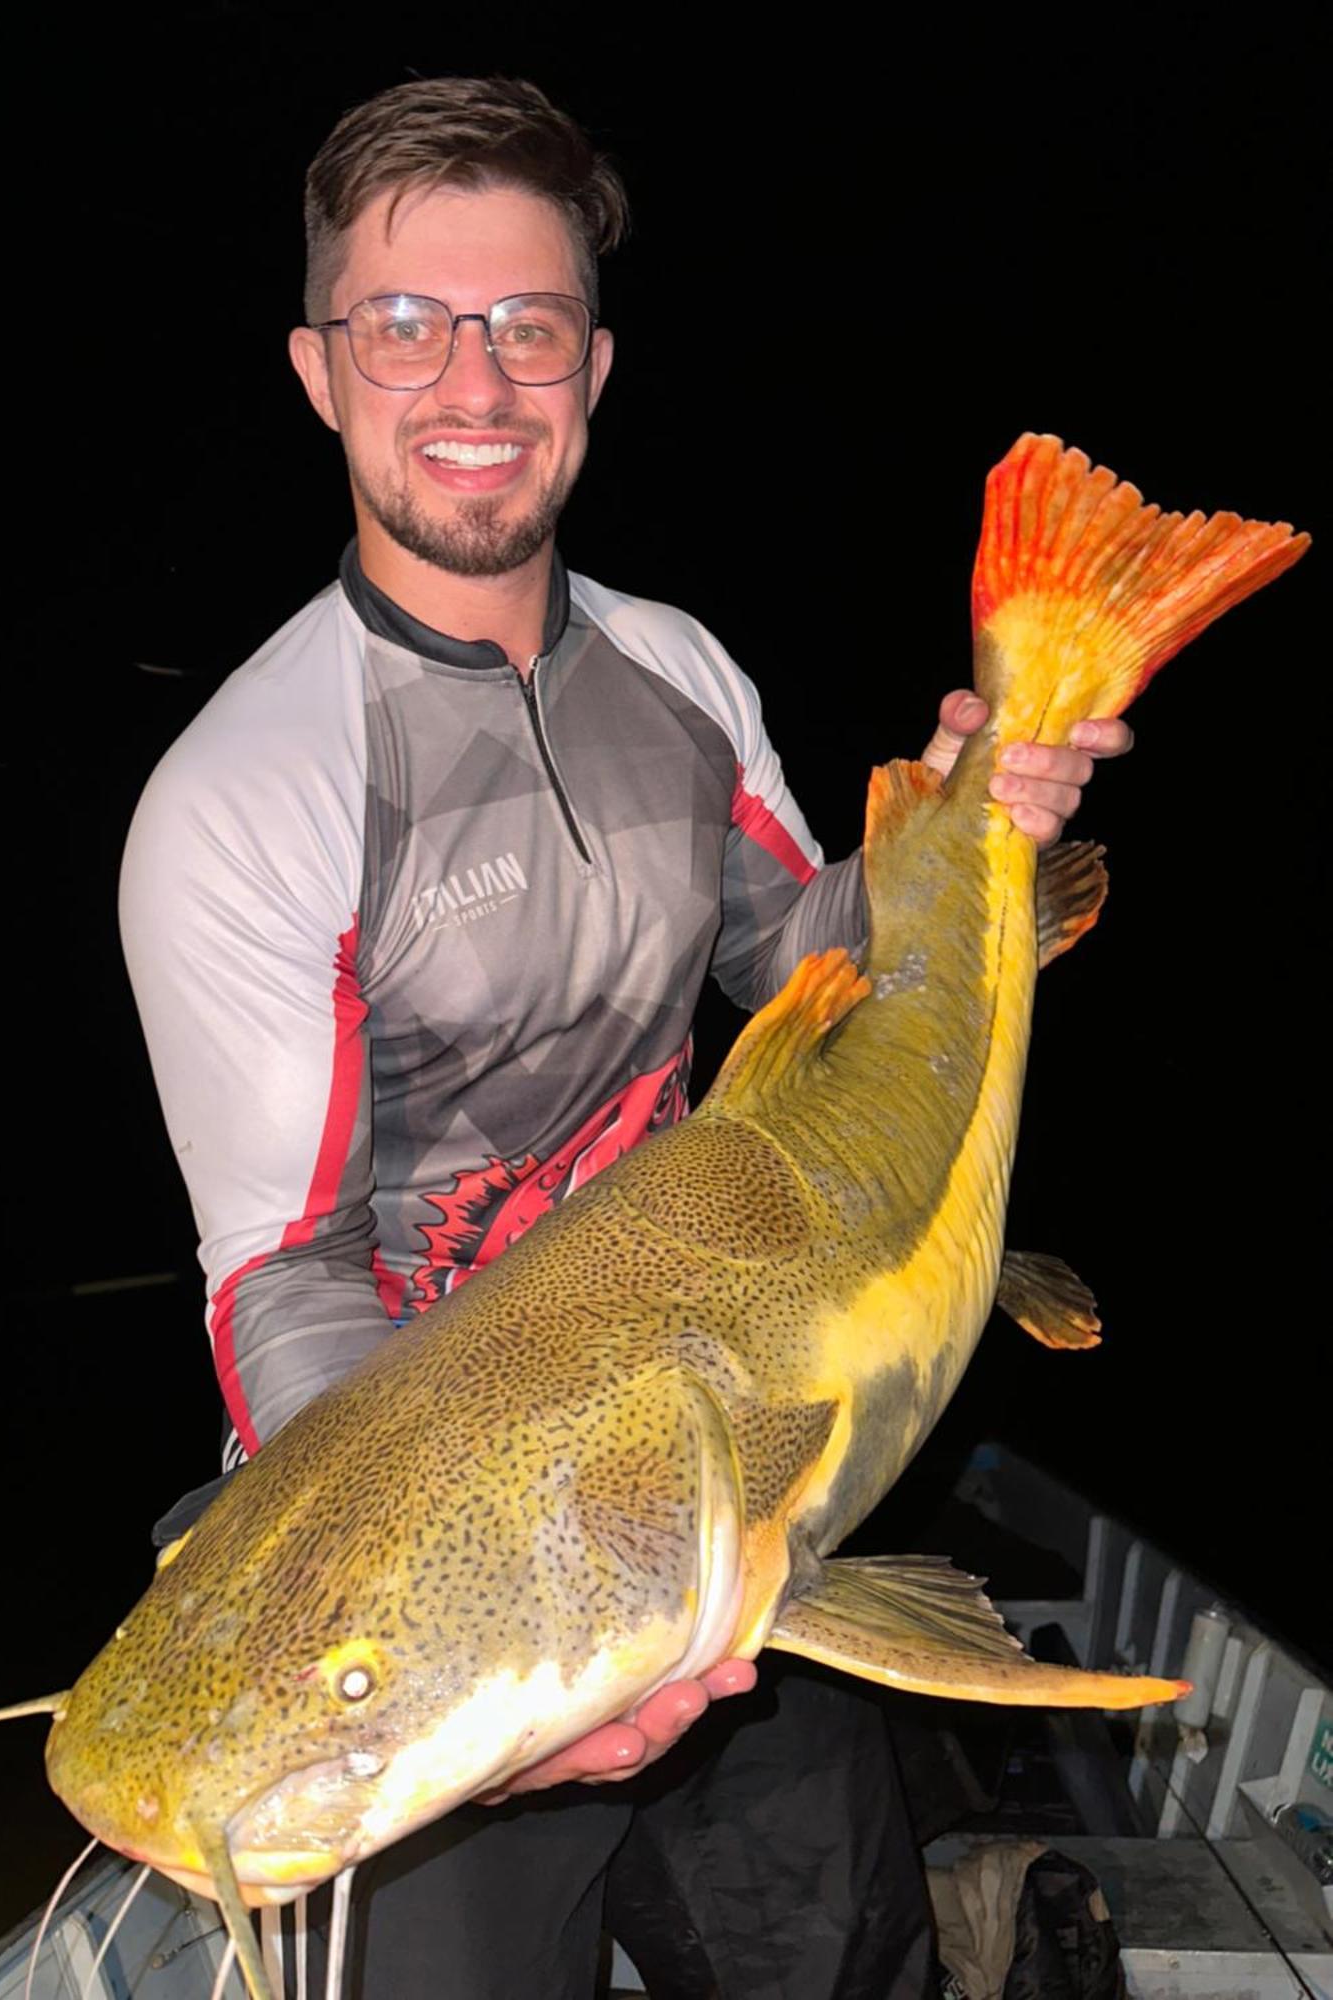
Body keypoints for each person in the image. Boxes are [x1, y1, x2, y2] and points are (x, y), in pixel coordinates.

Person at [120, 76, 1130, 2000]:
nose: (474, 382)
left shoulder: (676, 671)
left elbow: (799, 960)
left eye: (529, 324)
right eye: (405, 327)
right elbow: (278, 1271)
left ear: (594, 363)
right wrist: (461, 1615)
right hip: (417, 1490)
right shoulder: (243, 798)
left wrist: (969, 816)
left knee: (847, 1950)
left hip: (713, 1394)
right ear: (321, 373)